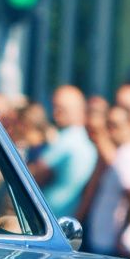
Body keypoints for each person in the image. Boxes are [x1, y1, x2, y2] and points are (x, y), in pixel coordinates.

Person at [83, 105, 130, 257]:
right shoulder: (123, 152)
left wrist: (122, 235)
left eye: (115, 126)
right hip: (104, 240)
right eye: (108, 125)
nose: (109, 131)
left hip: (113, 244)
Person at [32, 85, 97, 220]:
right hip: (66, 217)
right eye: (54, 107)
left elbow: (34, 175)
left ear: (77, 110)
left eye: (61, 109)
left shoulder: (67, 139)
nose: (55, 113)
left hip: (50, 217)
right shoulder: (86, 142)